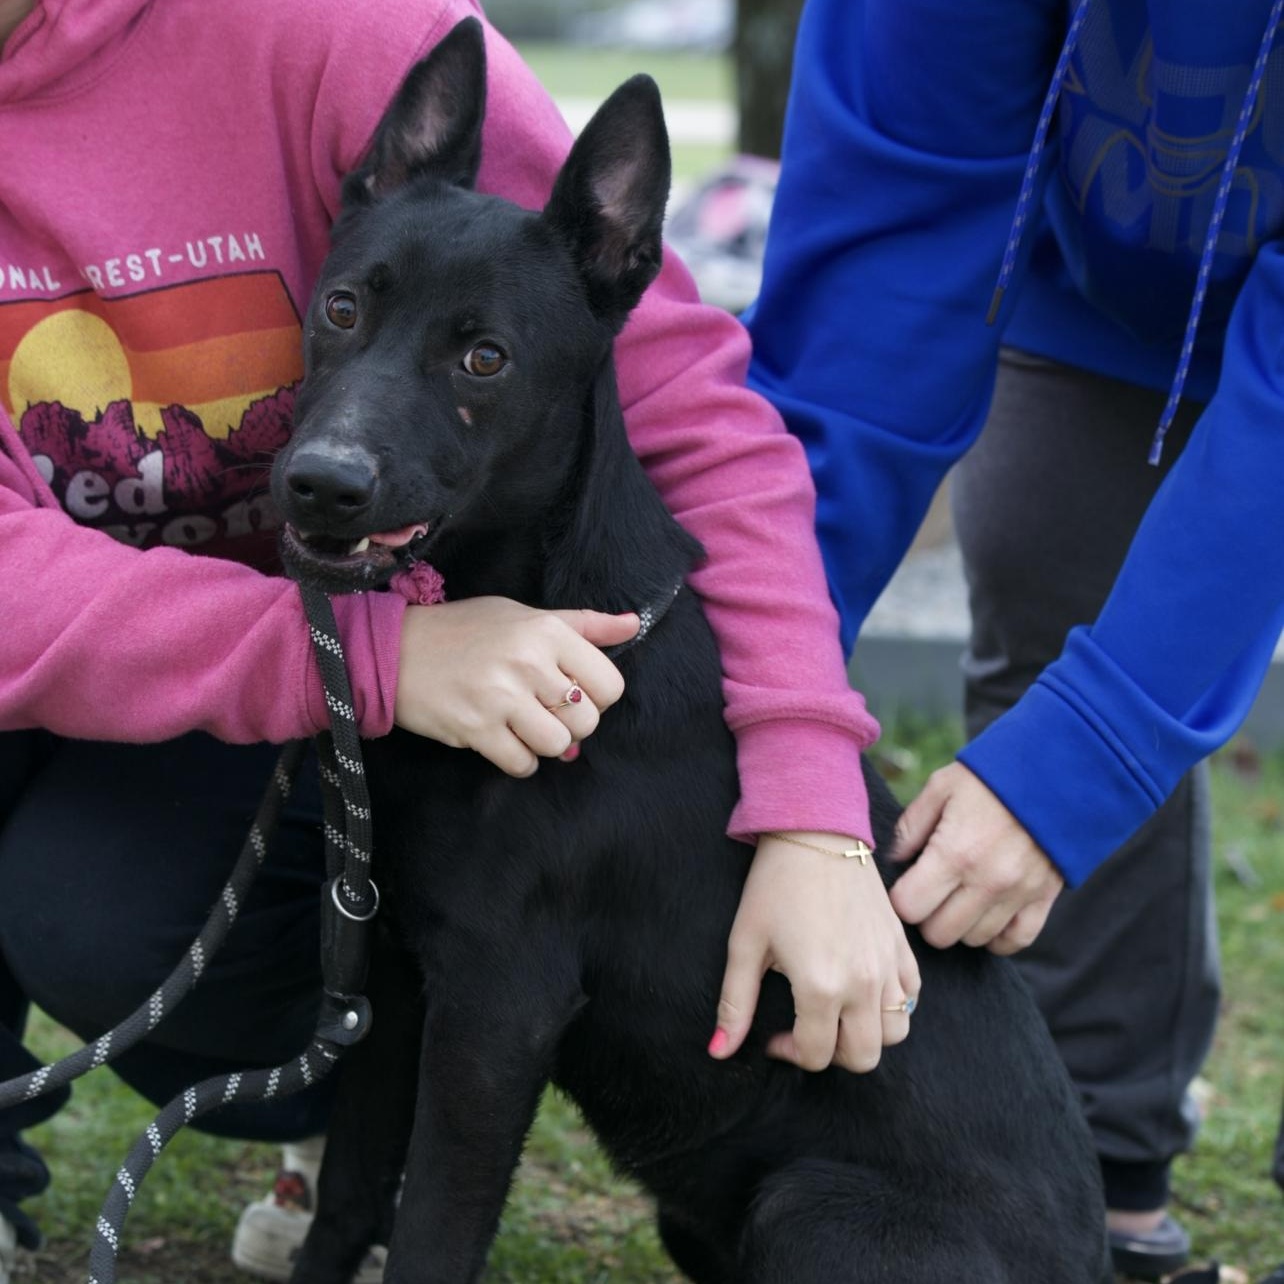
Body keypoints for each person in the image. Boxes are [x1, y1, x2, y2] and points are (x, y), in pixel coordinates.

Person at [0, 0, 925, 1278]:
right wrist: (375, 657)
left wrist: (816, 803)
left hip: (316, 704)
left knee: (103, 920)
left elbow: (679, 404)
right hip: (235, 655)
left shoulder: (339, 34)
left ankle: (328, 1104)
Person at [745, 0, 1284, 1278]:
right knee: (1048, 586)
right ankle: (1095, 1170)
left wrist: (1088, 757)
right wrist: (772, 691)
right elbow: (884, 265)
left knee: (1089, 735)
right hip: (1101, 273)